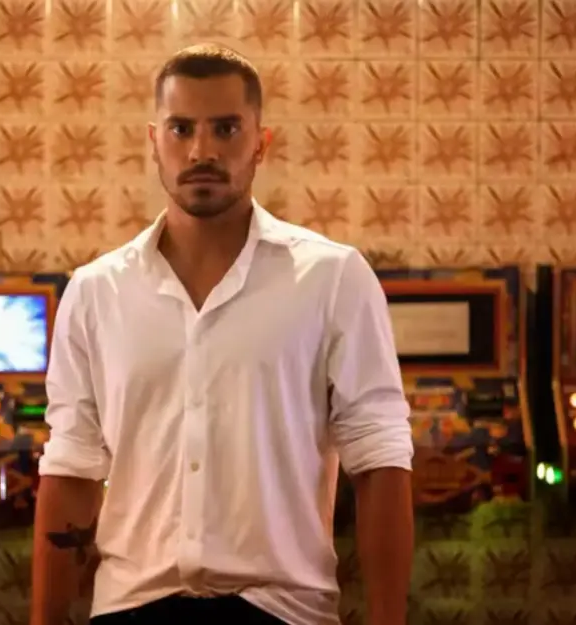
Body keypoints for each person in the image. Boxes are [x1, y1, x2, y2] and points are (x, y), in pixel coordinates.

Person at [30, 43, 414, 625]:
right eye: (181, 128)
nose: (202, 150)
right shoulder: (95, 292)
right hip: (132, 606)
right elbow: (71, 468)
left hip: (283, 610)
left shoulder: (332, 278)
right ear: (154, 141)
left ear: (261, 142)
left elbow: (380, 458)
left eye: (226, 129)